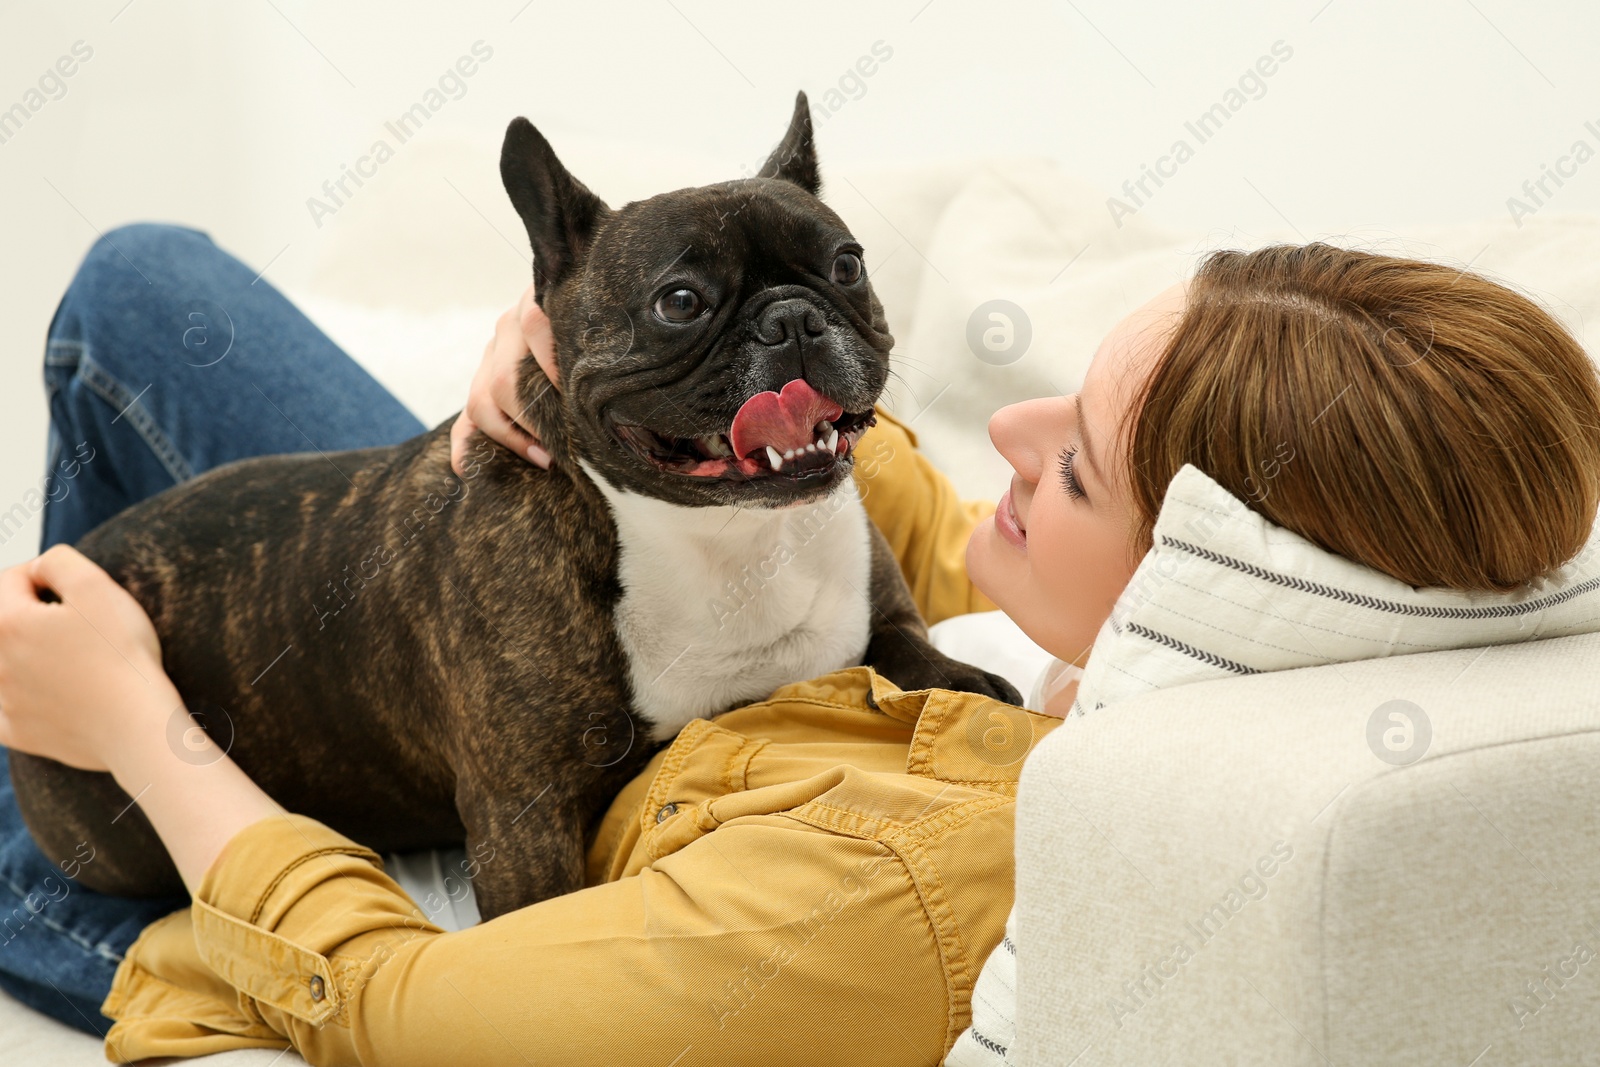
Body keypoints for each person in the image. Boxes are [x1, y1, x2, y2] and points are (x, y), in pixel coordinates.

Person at [0, 224, 1596, 1066]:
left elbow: (387, 1006)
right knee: (142, 282)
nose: (1014, 433)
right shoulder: (1157, 654)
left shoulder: (878, 894)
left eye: (1082, 465)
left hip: (443, 785)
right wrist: (592, 349)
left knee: (49, 711)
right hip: (602, 585)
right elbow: (900, 493)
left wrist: (139, 720)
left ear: (1210, 580)